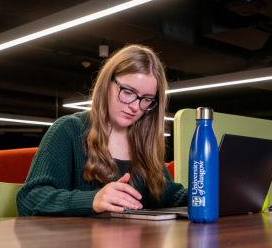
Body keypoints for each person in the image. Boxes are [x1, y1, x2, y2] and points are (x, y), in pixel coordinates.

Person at [16, 45, 187, 216]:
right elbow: (29, 198)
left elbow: (170, 197)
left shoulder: (143, 141)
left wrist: (208, 195)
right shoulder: (69, 130)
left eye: (147, 99)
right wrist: (93, 200)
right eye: (128, 92)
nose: (135, 106)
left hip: (133, 241)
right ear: (107, 84)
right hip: (79, 241)